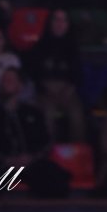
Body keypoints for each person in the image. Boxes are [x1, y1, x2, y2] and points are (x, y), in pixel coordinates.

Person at [0, 67, 69, 198]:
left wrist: (31, 158)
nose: (7, 83)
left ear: (20, 85)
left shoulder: (33, 113)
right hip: (1, 165)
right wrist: (5, 159)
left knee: (56, 179)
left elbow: (46, 139)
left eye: (11, 80)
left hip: (31, 163)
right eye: (4, 80)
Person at [27, 9, 86, 143]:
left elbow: (78, 74)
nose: (60, 23)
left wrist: (69, 89)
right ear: (50, 23)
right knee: (47, 115)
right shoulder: (39, 46)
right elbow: (34, 74)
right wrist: (45, 89)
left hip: (68, 91)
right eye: (56, 20)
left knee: (77, 116)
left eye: (63, 20)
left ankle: (77, 153)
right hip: (45, 92)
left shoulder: (74, 47)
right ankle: (48, 151)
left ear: (68, 24)